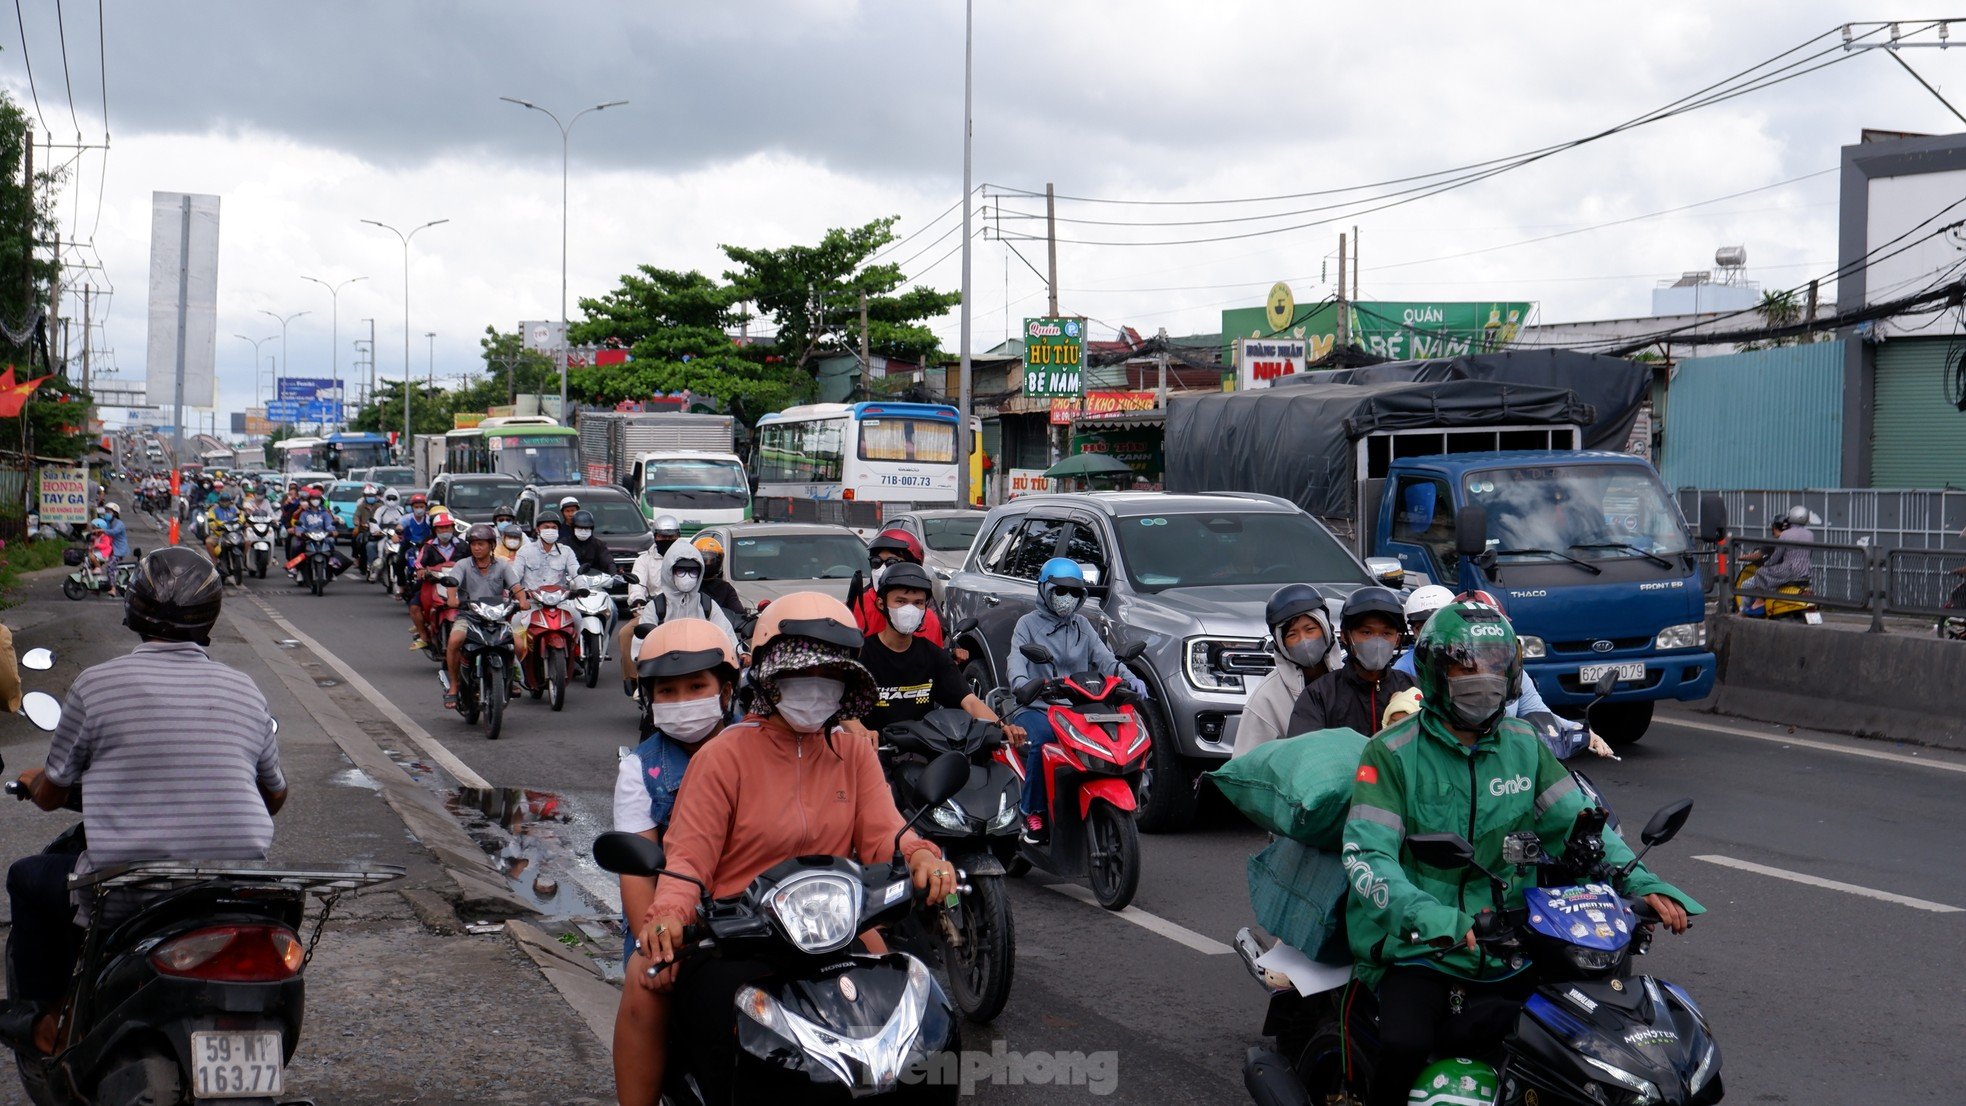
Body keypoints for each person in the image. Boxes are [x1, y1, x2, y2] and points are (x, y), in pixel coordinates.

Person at [1343, 596, 1700, 1106]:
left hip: (1510, 939)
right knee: (1406, 1044)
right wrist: (1433, 918)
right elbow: (1367, 856)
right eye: (1465, 663)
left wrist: (1646, 886)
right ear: (1435, 671)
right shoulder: (1392, 752)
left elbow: (1581, 829)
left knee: (1568, 1038)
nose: (1480, 676)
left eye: (1493, 664)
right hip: (1420, 947)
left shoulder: (1523, 743)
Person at [633, 593, 954, 1104]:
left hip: (837, 925)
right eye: (801, 675)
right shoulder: (722, 757)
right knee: (648, 986)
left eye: (829, 677)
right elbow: (689, 856)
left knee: (902, 1020)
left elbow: (884, 832)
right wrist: (670, 913)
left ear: (845, 685)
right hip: (738, 933)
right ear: (769, 679)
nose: (814, 689)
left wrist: (920, 856)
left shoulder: (853, 753)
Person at [0, 548, 287, 1054]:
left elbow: (53, 791)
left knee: (26, 877)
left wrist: (33, 779)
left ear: (133, 609)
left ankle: (49, 1021)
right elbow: (275, 794)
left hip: (128, 892)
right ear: (211, 616)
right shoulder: (245, 689)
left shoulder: (97, 684)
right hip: (235, 886)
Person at [610, 618, 739, 1104]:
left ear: (726, 690)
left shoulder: (760, 744)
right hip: (673, 918)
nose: (683, 700)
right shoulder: (640, 768)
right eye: (668, 691)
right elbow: (637, 872)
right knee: (644, 987)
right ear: (650, 698)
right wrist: (656, 939)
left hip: (766, 910)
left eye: (696, 687)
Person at [1008, 558, 1141, 843]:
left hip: (1077, 710)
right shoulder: (1027, 625)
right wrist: (1023, 685)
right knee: (1043, 742)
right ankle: (1032, 812)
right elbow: (1016, 663)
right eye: (1060, 591)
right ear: (1044, 589)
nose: (1066, 599)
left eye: (1074, 592)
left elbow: (1105, 659)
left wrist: (1130, 679)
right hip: (1037, 707)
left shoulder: (1082, 625)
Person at [1394, 588, 1613, 760]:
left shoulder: (1515, 684)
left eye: (1495, 655)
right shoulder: (1413, 677)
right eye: (1467, 668)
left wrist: (1579, 731)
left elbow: (1537, 712)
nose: (1485, 671)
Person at [842, 562, 1022, 739]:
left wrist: (1002, 728)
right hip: (874, 752)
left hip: (925, 753)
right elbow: (845, 711)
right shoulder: (861, 656)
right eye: (901, 601)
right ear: (881, 604)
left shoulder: (934, 655)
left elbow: (969, 701)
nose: (909, 609)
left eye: (918, 603)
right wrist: (861, 733)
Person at [1290, 586, 1415, 737]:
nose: (1376, 642)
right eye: (1366, 632)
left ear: (1398, 639)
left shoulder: (1414, 689)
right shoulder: (1320, 695)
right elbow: (1304, 751)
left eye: (1386, 633)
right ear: (1345, 636)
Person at [618, 537, 738, 690]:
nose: (687, 576)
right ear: (670, 571)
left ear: (700, 573)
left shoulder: (707, 604)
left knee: (729, 708)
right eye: (681, 571)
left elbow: (726, 631)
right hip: (664, 669)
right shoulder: (656, 607)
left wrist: (739, 652)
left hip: (702, 666)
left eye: (692, 571)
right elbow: (641, 644)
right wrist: (643, 662)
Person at [1232, 583, 1338, 757]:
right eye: (1292, 635)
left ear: (1326, 629)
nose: (1304, 641)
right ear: (1281, 644)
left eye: (1310, 629)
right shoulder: (1266, 699)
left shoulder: (1349, 680)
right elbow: (1246, 764)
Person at [441, 525, 525, 711]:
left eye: (481, 544)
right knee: (455, 640)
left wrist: (522, 600)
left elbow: (516, 586)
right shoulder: (462, 564)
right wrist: (452, 598)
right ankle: (454, 685)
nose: (476, 548)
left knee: (518, 644)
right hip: (469, 617)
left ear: (492, 545)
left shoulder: (502, 565)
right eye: (473, 544)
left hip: (497, 618)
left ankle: (511, 678)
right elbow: (452, 584)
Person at [849, 528, 946, 647]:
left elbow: (937, 655)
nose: (882, 570)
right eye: (876, 562)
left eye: (892, 563)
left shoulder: (929, 617)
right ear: (880, 603)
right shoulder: (857, 606)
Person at [512, 514, 580, 677]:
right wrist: (518, 594)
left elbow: (576, 572)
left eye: (554, 528)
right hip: (532, 603)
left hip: (560, 602)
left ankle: (573, 654)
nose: (550, 531)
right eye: (546, 527)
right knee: (515, 624)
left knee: (577, 617)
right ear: (538, 530)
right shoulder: (525, 551)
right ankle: (516, 667)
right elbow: (514, 575)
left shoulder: (566, 551)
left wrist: (582, 587)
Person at [408, 512, 464, 651]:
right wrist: (421, 570)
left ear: (453, 528)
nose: (445, 531)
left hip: (459, 584)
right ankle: (424, 635)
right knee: (414, 606)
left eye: (448, 528)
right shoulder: (428, 546)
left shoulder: (463, 545)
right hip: (433, 583)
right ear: (435, 530)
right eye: (441, 528)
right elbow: (418, 562)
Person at [1745, 505, 1814, 590]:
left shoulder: (1785, 534)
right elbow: (1809, 554)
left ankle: (1759, 601)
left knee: (1760, 572)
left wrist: (1767, 564)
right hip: (1806, 571)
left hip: (1788, 571)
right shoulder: (1810, 534)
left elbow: (1777, 555)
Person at [690, 534, 748, 627]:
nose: (708, 563)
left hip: (719, 633)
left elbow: (739, 615)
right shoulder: (688, 584)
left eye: (712, 559)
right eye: (704, 559)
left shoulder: (725, 588)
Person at [562, 509, 614, 575]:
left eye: (587, 528)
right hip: (569, 580)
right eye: (579, 528)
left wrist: (613, 575)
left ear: (591, 529)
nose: (583, 531)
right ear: (573, 528)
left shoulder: (598, 544)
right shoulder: (563, 544)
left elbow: (608, 562)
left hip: (595, 581)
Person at [351, 484, 384, 575]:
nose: (370, 498)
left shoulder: (380, 506)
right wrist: (357, 523)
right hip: (364, 530)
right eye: (368, 496)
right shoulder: (361, 507)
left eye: (372, 496)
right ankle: (357, 558)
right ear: (365, 496)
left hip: (378, 531)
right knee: (356, 539)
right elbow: (356, 516)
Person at [97, 504, 128, 596]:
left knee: (110, 566)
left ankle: (113, 588)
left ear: (114, 513)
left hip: (119, 550)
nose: (106, 513)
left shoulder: (119, 524)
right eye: (106, 511)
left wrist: (102, 531)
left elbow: (113, 532)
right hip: (111, 549)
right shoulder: (109, 523)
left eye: (109, 512)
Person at [202, 489, 242, 561]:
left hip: (234, 532)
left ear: (230, 501)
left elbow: (241, 517)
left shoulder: (234, 509)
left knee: (247, 541)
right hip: (219, 534)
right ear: (219, 501)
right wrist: (214, 527)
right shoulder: (214, 509)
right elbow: (211, 520)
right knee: (208, 542)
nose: (225, 503)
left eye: (227, 501)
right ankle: (214, 560)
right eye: (223, 501)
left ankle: (245, 559)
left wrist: (241, 523)